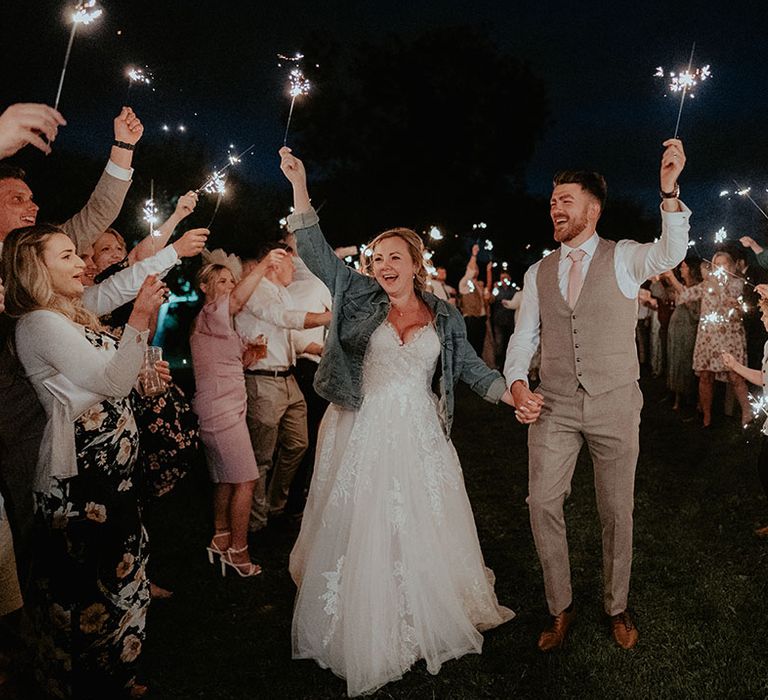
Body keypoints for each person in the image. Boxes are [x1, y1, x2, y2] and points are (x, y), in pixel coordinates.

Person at [279, 147, 514, 697]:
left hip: (422, 432)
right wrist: (300, 187)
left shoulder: (445, 313)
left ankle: (431, 602)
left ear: (416, 263)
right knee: (368, 520)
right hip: (366, 426)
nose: (382, 266)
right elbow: (315, 252)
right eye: (376, 258)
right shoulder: (357, 294)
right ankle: (367, 611)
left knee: (423, 516)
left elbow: (473, 370)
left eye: (393, 258)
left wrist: (511, 394)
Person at [505, 139, 689, 651]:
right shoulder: (537, 271)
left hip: (614, 401)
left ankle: (616, 604)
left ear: (593, 208)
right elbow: (525, 336)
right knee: (542, 502)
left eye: (565, 199)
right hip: (555, 404)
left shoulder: (626, 258)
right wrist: (518, 382)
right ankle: (559, 606)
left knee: (616, 510)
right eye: (551, 201)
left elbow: (671, 251)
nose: (554, 208)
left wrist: (669, 191)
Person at [2, 223, 168, 699]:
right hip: (81, 480)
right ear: (36, 269)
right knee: (87, 590)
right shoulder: (38, 323)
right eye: (69, 256)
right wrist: (138, 319)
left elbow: (112, 377)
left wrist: (141, 368)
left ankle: (118, 675)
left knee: (122, 577)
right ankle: (87, 685)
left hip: (111, 476)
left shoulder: (69, 315)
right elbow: (110, 382)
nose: (84, 264)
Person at [0, 106, 143, 589]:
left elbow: (98, 213)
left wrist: (122, 148)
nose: (31, 205)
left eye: (32, 197)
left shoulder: (45, 246)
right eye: (17, 198)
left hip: (52, 416)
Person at [191, 247, 288, 577]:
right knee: (246, 479)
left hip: (222, 408)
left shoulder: (223, 325)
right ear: (204, 287)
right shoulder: (209, 315)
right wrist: (263, 264)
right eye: (221, 281)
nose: (229, 286)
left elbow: (231, 363)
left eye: (232, 280)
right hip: (221, 412)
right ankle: (238, 552)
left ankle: (220, 537)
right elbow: (236, 302)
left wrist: (249, 355)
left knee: (225, 478)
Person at [234, 244, 330, 533]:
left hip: (288, 378)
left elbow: (294, 337)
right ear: (275, 265)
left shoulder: (284, 292)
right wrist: (327, 317)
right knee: (261, 456)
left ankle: (276, 505)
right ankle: (257, 522)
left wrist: (323, 348)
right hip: (263, 380)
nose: (295, 269)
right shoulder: (257, 291)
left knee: (298, 443)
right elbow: (282, 318)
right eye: (291, 264)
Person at [673, 251, 752, 427]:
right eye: (716, 264)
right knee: (705, 376)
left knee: (736, 376)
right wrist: (671, 277)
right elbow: (685, 295)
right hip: (708, 338)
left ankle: (748, 413)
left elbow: (742, 308)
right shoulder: (706, 285)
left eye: (724, 264)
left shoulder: (738, 284)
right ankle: (706, 417)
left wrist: (736, 305)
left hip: (730, 337)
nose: (720, 268)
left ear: (731, 266)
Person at [722, 283, 768, 537]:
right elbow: (763, 377)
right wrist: (735, 366)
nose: (761, 317)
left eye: (764, 312)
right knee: (764, 465)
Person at [660, 257, 703, 411]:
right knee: (674, 359)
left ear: (691, 269)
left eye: (684, 267)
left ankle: (687, 398)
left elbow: (693, 307)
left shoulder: (698, 288)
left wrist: (671, 277)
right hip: (676, 329)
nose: (681, 269)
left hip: (687, 329)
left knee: (684, 361)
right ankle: (674, 394)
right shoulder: (683, 286)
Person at [458, 244, 488, 355]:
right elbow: (469, 271)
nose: (474, 270)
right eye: (473, 268)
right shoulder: (464, 283)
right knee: (471, 349)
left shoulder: (479, 286)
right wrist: (474, 255)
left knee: (479, 349)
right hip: (471, 320)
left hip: (481, 320)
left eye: (476, 268)